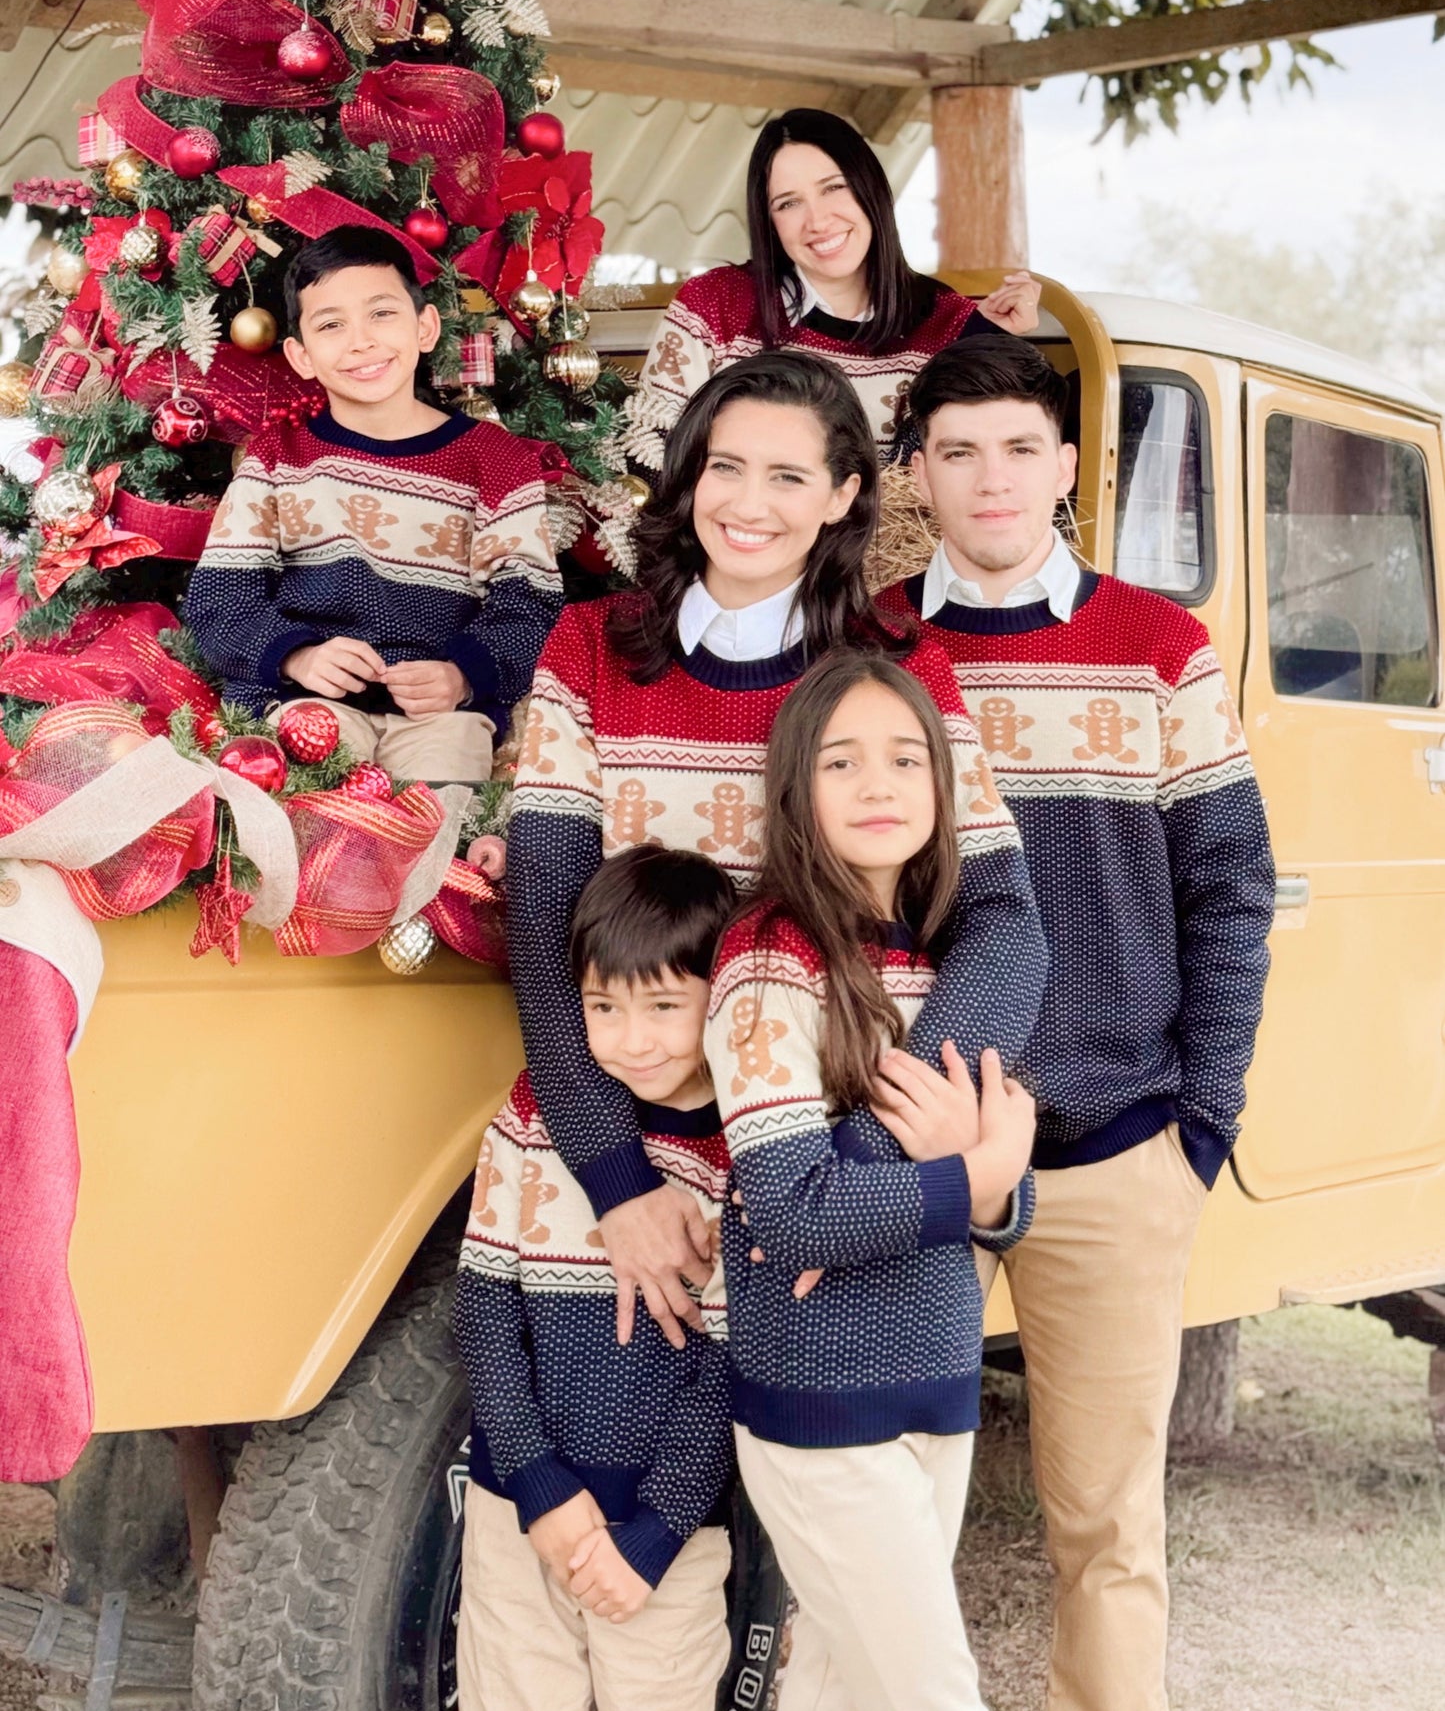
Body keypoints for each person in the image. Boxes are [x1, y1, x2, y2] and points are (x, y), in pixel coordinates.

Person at [877, 334, 1275, 1711]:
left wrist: (1201, 1118)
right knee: (879, 1507)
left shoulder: (1161, 648)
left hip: (1115, 1146)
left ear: (1066, 470)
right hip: (909, 1146)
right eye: (959, 449)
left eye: (1019, 449)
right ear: (919, 473)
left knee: (1106, 1523)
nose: (991, 477)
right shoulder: (868, 648)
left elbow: (1228, 885)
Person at [506, 348, 1047, 1353]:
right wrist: (618, 1183)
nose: (748, 502)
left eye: (789, 475)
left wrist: (859, 1159)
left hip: (834, 1163)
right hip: (643, 1162)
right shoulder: (586, 650)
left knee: (808, 1495)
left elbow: (1003, 925)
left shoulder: (898, 667)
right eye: (724, 466)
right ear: (687, 477)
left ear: (844, 496)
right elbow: (543, 930)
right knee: (638, 1478)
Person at [708, 649, 1036, 1711]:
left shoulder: (945, 967)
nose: (877, 782)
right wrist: (969, 1174)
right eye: (839, 760)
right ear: (794, 788)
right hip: (820, 1404)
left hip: (935, 1381)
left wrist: (990, 1182)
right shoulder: (767, 961)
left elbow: (999, 1185)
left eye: (906, 757)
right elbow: (793, 1211)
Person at [452, 844, 736, 1711]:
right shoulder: (538, 1117)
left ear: (720, 995)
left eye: (664, 1006)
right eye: (603, 1007)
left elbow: (731, 1371)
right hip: (518, 1518)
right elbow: (486, 1310)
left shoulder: (747, 1147)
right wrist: (533, 1480)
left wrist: (653, 1534)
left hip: (665, 1544)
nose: (633, 1038)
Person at [185, 226, 560, 785]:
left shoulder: (497, 463)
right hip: (306, 699)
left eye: (381, 314)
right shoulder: (278, 458)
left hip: (441, 714)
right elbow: (220, 599)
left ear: (425, 327)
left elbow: (530, 607)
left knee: (441, 811)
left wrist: (462, 675)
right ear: (301, 355)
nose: (360, 341)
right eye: (332, 325)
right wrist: (298, 657)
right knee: (312, 800)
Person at [620, 106, 1042, 471]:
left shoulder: (947, 322)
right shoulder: (714, 306)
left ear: (870, 189)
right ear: (769, 222)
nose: (818, 221)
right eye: (788, 203)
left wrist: (987, 341)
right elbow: (648, 459)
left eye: (833, 187)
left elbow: (956, 463)